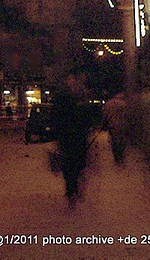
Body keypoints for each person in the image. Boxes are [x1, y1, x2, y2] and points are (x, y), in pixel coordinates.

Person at [51, 73, 91, 203]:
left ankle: (73, 190)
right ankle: (71, 190)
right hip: (70, 137)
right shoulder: (67, 99)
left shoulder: (76, 98)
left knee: (75, 166)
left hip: (75, 137)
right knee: (70, 166)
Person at [102, 92, 128, 163]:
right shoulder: (124, 104)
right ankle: (121, 155)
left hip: (112, 125)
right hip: (122, 124)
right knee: (122, 140)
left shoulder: (108, 104)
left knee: (114, 140)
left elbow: (105, 115)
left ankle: (116, 156)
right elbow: (127, 115)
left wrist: (104, 125)